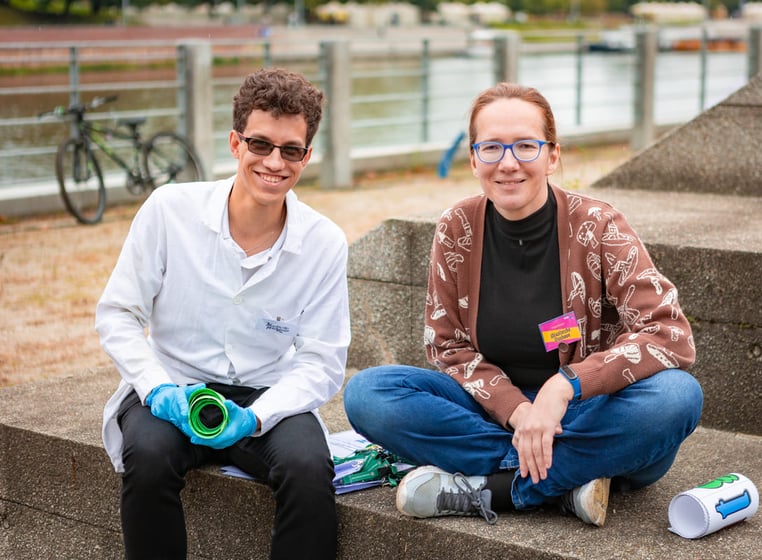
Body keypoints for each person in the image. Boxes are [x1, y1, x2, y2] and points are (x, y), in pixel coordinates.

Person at [343, 82, 703, 527]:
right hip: (493, 414)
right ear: (473, 159)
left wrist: (564, 387)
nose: (508, 163)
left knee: (677, 397)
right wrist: (520, 412)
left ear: (552, 156)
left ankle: (496, 488)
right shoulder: (457, 227)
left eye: (526, 146)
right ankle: (567, 480)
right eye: (492, 147)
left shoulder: (598, 225)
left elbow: (669, 334)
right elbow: (448, 347)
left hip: (585, 413)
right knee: (369, 393)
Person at [96, 67, 350, 559]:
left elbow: (322, 360)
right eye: (260, 144)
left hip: (266, 393)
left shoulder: (324, 243)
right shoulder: (169, 210)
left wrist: (255, 417)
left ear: (306, 157)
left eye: (290, 150)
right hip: (174, 385)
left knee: (308, 470)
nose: (274, 162)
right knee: (148, 458)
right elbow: (118, 314)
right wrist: (158, 389)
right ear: (235, 143)